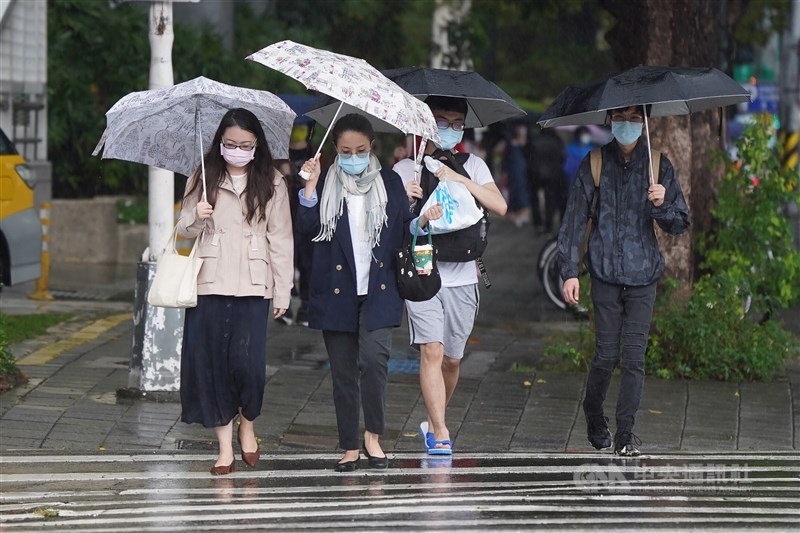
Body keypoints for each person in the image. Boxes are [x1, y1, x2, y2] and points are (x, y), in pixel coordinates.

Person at [557, 105, 689, 456]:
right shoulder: (595, 163)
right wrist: (570, 272)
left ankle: (625, 436)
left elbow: (680, 222)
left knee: (634, 357)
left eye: (634, 118)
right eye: (620, 117)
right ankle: (593, 411)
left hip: (644, 275)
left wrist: (662, 203)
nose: (627, 124)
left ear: (645, 121)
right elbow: (573, 220)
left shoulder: (659, 166)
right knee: (605, 355)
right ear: (609, 120)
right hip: (604, 274)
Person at [177, 108, 294, 475]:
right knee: (213, 366)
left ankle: (248, 423)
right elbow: (181, 234)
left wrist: (283, 290)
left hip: (254, 283)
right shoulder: (202, 174)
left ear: (257, 145)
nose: (238, 150)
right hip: (210, 280)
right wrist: (197, 215)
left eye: (245, 145)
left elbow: (281, 238)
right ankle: (225, 448)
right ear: (220, 143)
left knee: (248, 367)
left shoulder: (272, 180)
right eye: (231, 144)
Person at [296, 114, 414, 472]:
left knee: (375, 361)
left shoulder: (391, 182)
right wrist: (310, 189)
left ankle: (372, 436)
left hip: (378, 289)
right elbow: (307, 230)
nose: (353, 156)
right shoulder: (325, 182)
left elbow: (403, 233)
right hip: (337, 291)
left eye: (360, 150)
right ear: (335, 150)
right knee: (343, 371)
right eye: (345, 151)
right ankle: (349, 444)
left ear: (371, 147)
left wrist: (418, 215)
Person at [394, 96, 508, 455]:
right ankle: (440, 431)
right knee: (431, 349)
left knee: (452, 359)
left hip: (463, 276)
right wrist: (408, 201)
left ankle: (434, 417)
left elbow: (500, 206)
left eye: (457, 122)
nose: (450, 128)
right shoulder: (406, 169)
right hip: (423, 274)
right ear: (426, 123)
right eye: (441, 121)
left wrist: (458, 177)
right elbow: (395, 227)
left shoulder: (473, 164)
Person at [527, 128, 566, 235]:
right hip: (552, 175)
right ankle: (548, 226)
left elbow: (529, 157)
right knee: (550, 201)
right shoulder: (557, 141)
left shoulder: (534, 140)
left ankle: (538, 224)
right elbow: (562, 158)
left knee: (535, 200)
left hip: (536, 174)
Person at [501, 121, 531, 227]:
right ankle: (515, 214)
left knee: (522, 193)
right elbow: (505, 161)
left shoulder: (525, 147)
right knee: (514, 193)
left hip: (522, 173)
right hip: (513, 174)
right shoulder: (511, 145)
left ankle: (521, 213)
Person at [562, 126, 594, 208]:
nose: (585, 136)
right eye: (583, 134)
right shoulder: (570, 149)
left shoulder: (591, 149)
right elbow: (567, 169)